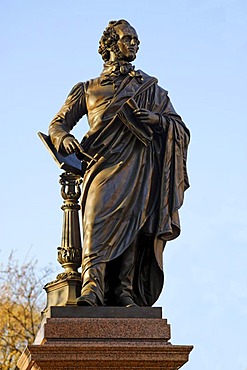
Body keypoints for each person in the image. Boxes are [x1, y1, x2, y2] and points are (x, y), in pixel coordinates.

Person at [49, 19, 190, 307]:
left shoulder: (151, 90)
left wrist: (157, 120)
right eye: (128, 39)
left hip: (139, 169)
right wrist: (63, 138)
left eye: (137, 40)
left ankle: (124, 290)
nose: (135, 44)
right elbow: (58, 123)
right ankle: (92, 287)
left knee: (134, 225)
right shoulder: (88, 89)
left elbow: (180, 128)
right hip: (100, 167)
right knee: (95, 222)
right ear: (111, 45)